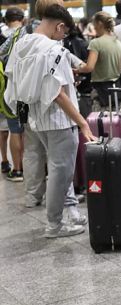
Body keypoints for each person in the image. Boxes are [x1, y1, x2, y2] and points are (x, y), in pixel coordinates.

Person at [4, 4, 96, 238]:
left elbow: (14, 78)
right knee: (60, 171)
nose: (63, 36)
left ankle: (70, 212)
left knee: (55, 167)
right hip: (59, 120)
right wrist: (82, 122)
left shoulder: (22, 43)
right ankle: (54, 225)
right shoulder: (53, 49)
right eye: (64, 32)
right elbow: (57, 93)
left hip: (35, 117)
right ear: (60, 26)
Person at [76, 11, 121, 108]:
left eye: (94, 24)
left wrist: (77, 69)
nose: (93, 27)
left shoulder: (96, 43)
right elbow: (120, 67)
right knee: (115, 120)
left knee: (100, 121)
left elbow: (89, 67)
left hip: (100, 90)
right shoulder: (118, 42)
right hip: (117, 88)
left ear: (99, 24)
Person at [0, 6, 25, 182]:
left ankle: (7, 163)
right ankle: (22, 166)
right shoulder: (28, 34)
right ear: (22, 18)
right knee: (22, 130)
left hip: (5, 88)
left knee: (6, 129)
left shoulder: (3, 37)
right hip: (25, 87)